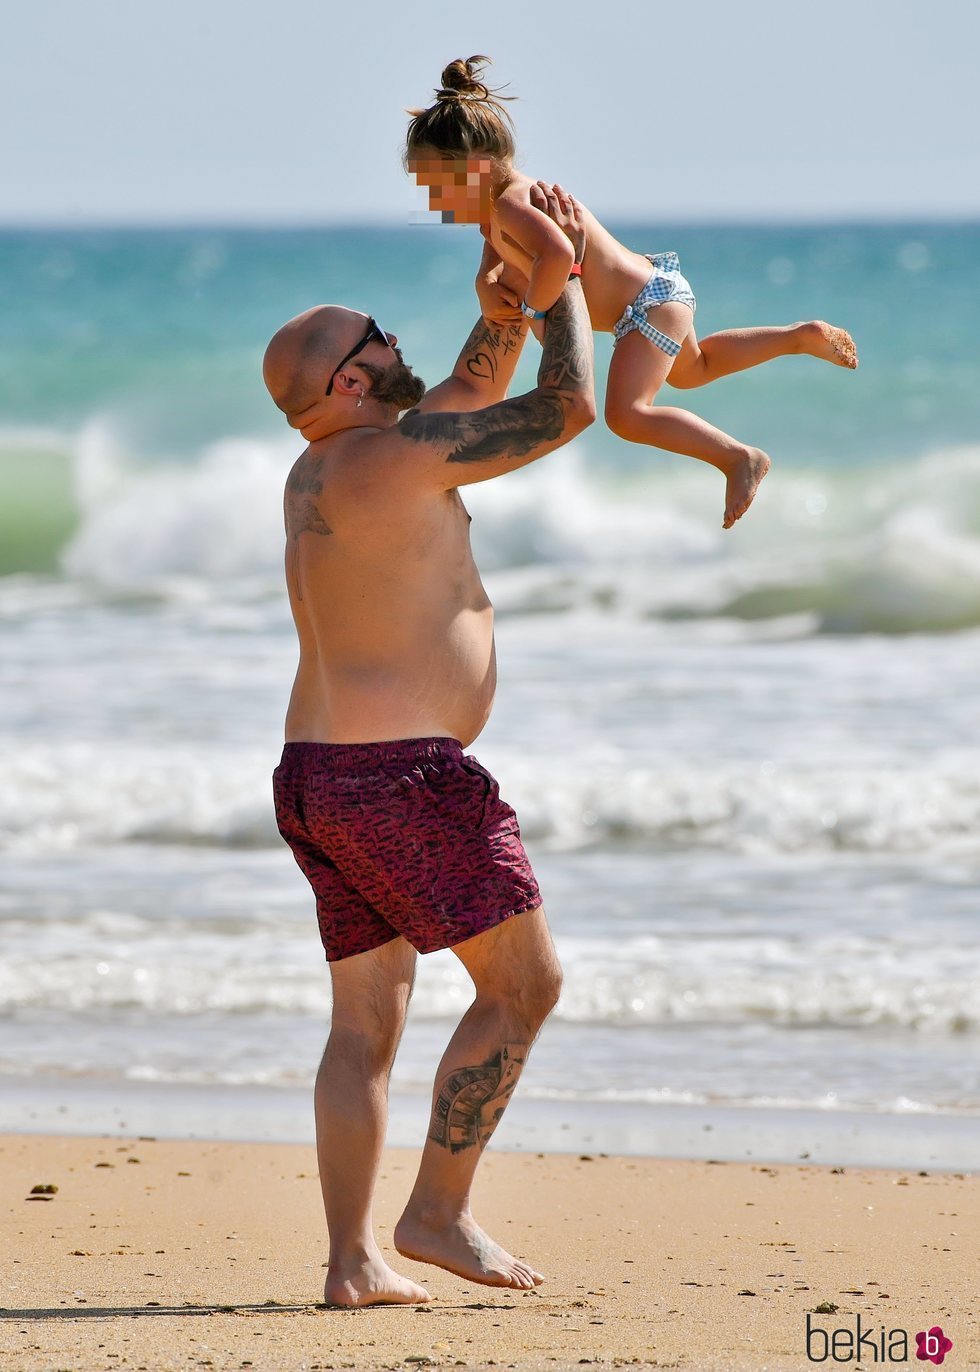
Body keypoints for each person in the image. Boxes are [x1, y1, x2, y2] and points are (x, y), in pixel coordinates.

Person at [263, 257, 595, 1307]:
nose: (396, 343)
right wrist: (567, 291)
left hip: (316, 775)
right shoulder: (391, 461)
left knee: (364, 1026)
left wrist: (503, 303)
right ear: (350, 384)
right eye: (377, 338)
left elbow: (461, 392)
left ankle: (351, 1260)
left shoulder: (331, 464)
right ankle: (435, 1213)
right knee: (524, 986)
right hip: (397, 780)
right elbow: (567, 406)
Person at [406, 56, 859, 530]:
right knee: (695, 369)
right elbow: (492, 255)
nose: (432, 203)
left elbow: (560, 254)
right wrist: (485, 286)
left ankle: (737, 457)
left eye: (438, 187)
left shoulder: (514, 203)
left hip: (645, 306)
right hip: (654, 294)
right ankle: (797, 336)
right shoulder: (495, 211)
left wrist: (534, 311)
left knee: (627, 415)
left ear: (476, 168)